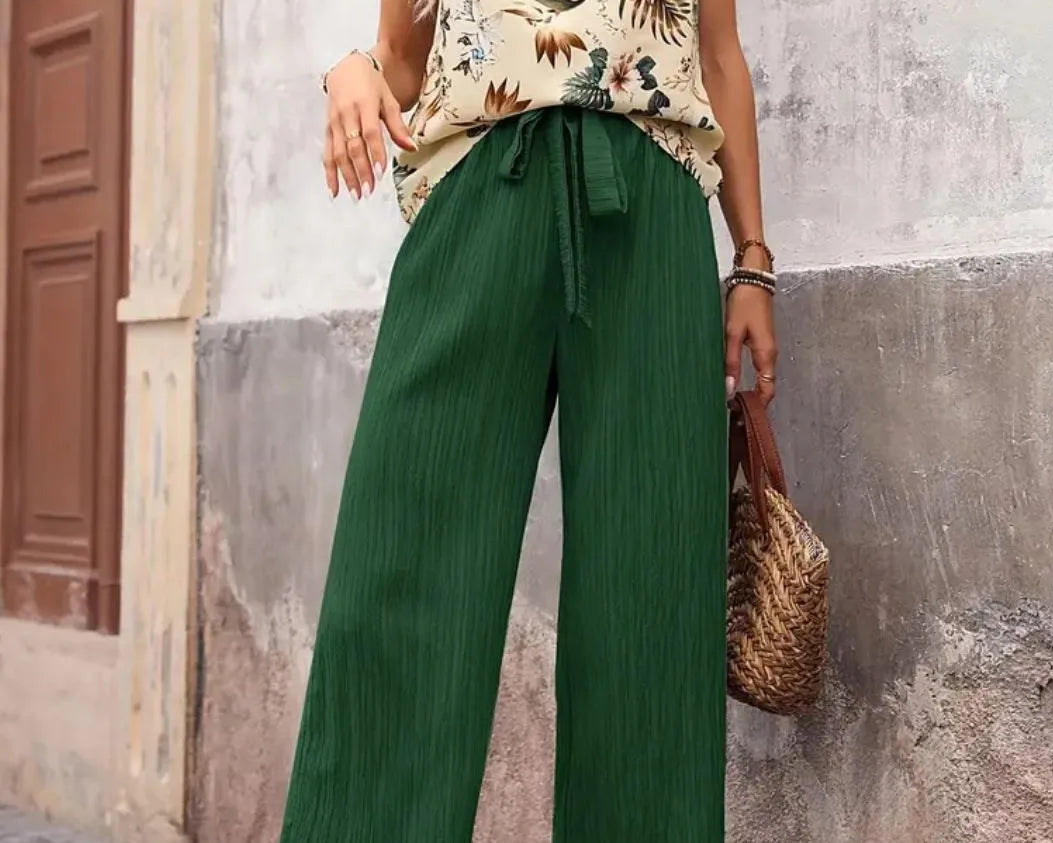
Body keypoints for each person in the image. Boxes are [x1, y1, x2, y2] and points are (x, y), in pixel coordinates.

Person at [280, 0, 776, 836]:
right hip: (476, 200)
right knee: (400, 558)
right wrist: (348, 73)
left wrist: (752, 261)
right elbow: (399, 56)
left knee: (649, 588)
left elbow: (719, 56)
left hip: (649, 207)